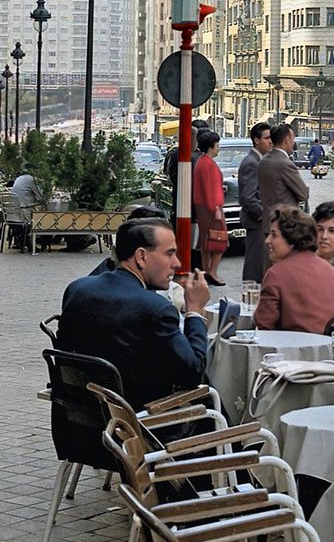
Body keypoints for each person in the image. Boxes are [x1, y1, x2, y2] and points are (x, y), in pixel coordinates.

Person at [57, 219, 209, 409]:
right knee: (211, 395)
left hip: (81, 418)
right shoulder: (156, 308)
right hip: (141, 427)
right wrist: (194, 311)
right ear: (141, 257)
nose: (177, 263)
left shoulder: (77, 289)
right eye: (169, 253)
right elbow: (193, 373)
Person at [255, 206, 334, 333]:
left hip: (297, 349)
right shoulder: (333, 272)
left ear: (291, 240)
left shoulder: (276, 274)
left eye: (274, 235)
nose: (268, 240)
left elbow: (264, 323)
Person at [164, 117, 209, 270]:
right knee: (191, 241)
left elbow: (170, 175)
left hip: (182, 203)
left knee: (185, 239)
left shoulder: (177, 154)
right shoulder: (193, 157)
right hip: (191, 205)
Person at [258, 123, 309, 242]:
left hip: (268, 222)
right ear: (286, 140)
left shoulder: (264, 161)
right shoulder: (285, 163)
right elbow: (303, 194)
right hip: (284, 225)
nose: (293, 143)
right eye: (293, 139)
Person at [237, 121, 273, 282]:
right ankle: (250, 298)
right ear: (257, 140)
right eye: (267, 138)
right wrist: (263, 216)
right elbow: (248, 197)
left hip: (259, 222)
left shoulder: (259, 160)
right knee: (255, 264)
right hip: (256, 223)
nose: (270, 142)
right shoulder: (252, 163)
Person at [192, 130, 226, 287]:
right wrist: (216, 208)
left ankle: (206, 270)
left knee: (206, 241)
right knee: (219, 240)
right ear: (211, 147)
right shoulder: (208, 164)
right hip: (211, 207)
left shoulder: (202, 161)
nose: (219, 148)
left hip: (203, 206)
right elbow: (210, 188)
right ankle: (212, 271)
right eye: (217, 145)